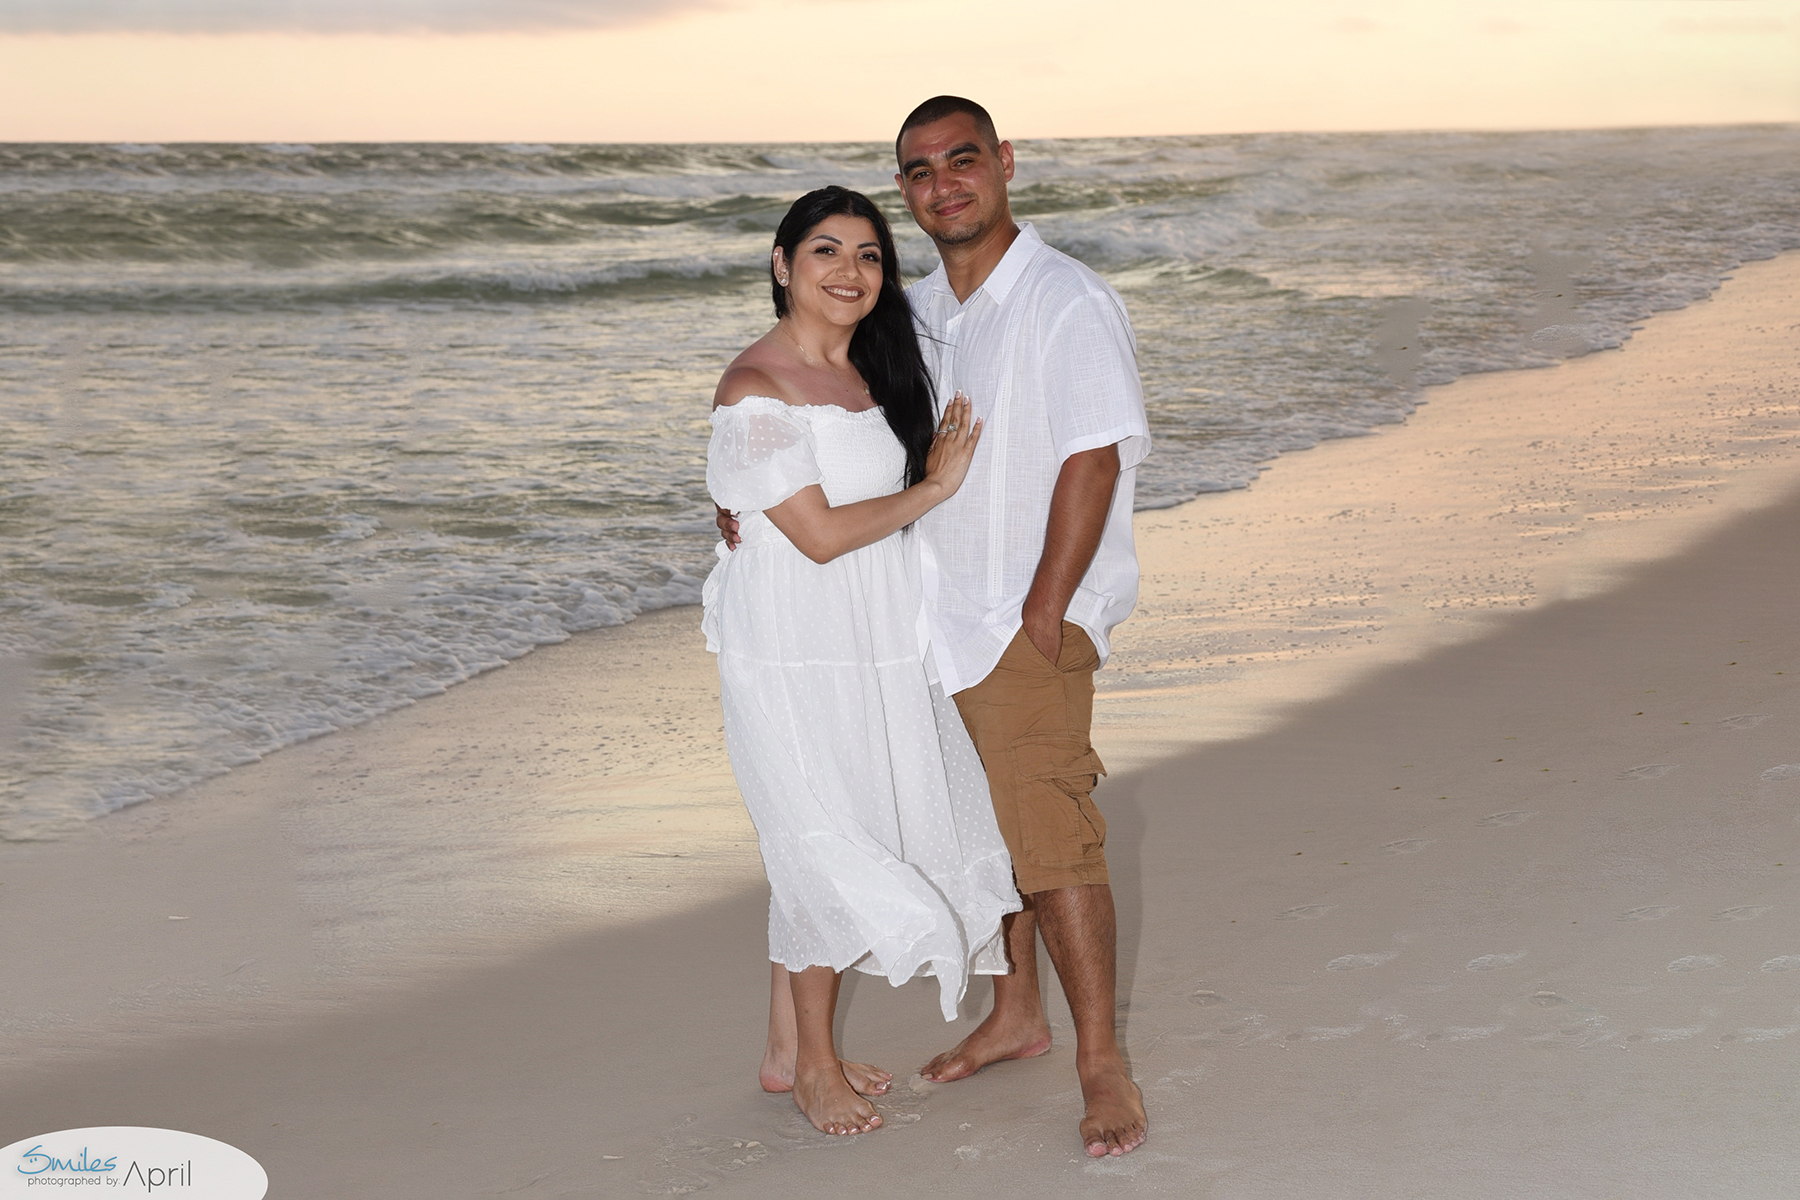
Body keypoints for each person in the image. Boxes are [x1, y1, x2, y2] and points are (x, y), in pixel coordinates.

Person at [701, 185, 1021, 1138]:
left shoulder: (866, 374)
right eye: (826, 252)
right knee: (820, 834)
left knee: (831, 819)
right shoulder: (755, 385)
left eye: (870, 256)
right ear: (781, 266)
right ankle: (816, 1070)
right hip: (797, 648)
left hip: (867, 640)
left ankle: (784, 1052)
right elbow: (822, 537)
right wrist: (937, 486)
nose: (850, 272)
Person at [896, 96, 1151, 1158]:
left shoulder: (1062, 301)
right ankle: (1016, 1013)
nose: (944, 183)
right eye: (919, 170)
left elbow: (1093, 456)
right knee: (989, 836)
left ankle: (1103, 1064)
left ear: (1004, 164)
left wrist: (1044, 613)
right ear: (902, 190)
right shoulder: (915, 309)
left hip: (1019, 622)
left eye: (963, 160)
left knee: (1053, 845)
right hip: (934, 618)